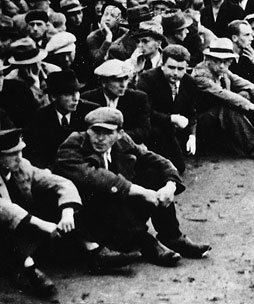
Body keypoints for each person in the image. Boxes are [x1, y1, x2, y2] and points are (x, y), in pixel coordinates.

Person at [53, 108, 211, 267]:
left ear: (119, 133)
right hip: (87, 218)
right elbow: (97, 178)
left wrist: (170, 186)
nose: (100, 138)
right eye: (95, 131)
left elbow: (158, 160)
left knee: (153, 173)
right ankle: (146, 242)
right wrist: (142, 192)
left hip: (118, 214)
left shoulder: (123, 141)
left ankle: (172, 236)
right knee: (106, 190)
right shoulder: (73, 144)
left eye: (108, 133)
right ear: (87, 130)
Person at [0, 128, 142, 299]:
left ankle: (94, 252)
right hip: (9, 229)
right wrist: (42, 224)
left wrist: (67, 211)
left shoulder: (23, 166)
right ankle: (30, 270)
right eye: (12, 154)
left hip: (26, 225)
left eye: (20, 151)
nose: (19, 157)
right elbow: (5, 209)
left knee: (58, 199)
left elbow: (60, 183)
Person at [134, 45, 200, 174]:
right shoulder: (147, 79)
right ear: (162, 65)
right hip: (154, 129)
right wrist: (171, 118)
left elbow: (192, 112)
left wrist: (192, 135)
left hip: (175, 130)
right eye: (171, 67)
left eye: (180, 69)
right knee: (177, 168)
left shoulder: (189, 82)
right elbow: (145, 112)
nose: (175, 73)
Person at [25, 70, 99, 169]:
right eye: (68, 94)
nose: (76, 98)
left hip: (84, 167)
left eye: (77, 92)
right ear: (53, 97)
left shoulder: (91, 112)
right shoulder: (40, 118)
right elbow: (35, 154)